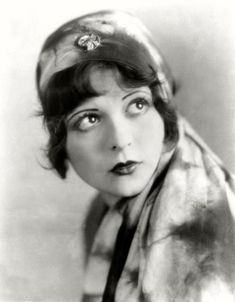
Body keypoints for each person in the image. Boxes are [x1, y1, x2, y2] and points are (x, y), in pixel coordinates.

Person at [36, 10, 235, 302]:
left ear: (164, 109)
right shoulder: (106, 209)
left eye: (138, 104)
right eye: (89, 119)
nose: (120, 140)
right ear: (61, 140)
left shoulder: (200, 233)